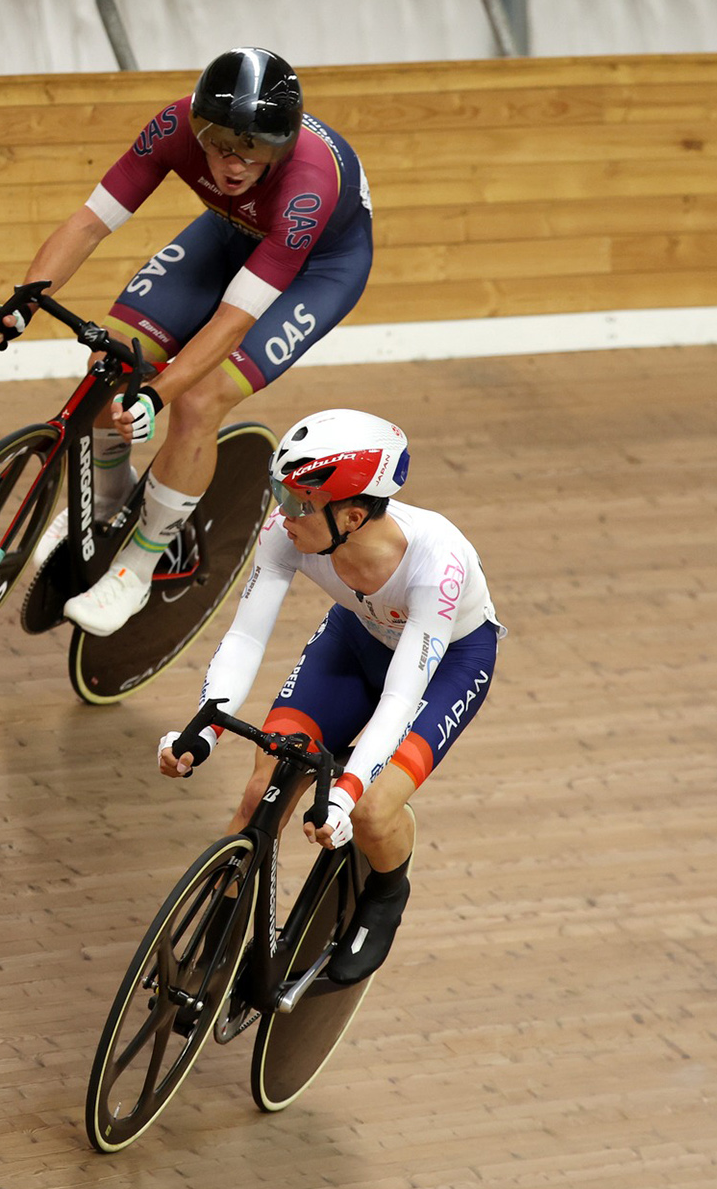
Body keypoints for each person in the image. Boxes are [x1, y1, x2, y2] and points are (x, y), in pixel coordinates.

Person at [0, 47, 374, 638]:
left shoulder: (306, 187)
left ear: (281, 147)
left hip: (316, 269)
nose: (231, 164)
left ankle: (137, 568)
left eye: (254, 149)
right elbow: (89, 222)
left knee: (196, 400)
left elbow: (235, 320)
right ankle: (110, 501)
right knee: (111, 362)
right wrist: (20, 303)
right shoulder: (173, 126)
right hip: (231, 232)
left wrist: (157, 396)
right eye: (217, 142)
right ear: (197, 124)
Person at [157, 410, 503, 984]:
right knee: (263, 786)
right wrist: (206, 727)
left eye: (296, 501)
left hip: (446, 666)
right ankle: (215, 930)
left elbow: (401, 696)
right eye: (279, 493)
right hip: (354, 640)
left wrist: (344, 794)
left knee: (371, 808)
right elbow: (244, 635)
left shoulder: (437, 560)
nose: (282, 513)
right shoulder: (287, 532)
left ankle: (387, 892)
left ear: (352, 513)